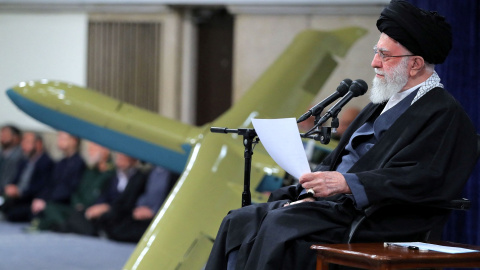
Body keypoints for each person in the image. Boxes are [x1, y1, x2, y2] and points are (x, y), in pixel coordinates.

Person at [204, 1, 478, 270]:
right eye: (376, 52)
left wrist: (349, 184)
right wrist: (312, 190)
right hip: (336, 208)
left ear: (416, 64)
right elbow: (337, 159)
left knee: (280, 225)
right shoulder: (381, 102)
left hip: (378, 218)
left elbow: (422, 178)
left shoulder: (444, 114)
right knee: (240, 219)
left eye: (385, 55)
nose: (374, 63)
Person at [61, 153, 147, 236]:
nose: (120, 159)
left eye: (124, 157)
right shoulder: (113, 176)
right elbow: (104, 195)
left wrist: (108, 207)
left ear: (134, 160)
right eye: (119, 157)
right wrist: (98, 207)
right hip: (104, 214)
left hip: (119, 216)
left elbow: (129, 203)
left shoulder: (139, 178)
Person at [35, 141, 115, 230]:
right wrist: (77, 203)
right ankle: (63, 225)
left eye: (93, 149)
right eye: (89, 149)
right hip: (78, 208)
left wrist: (86, 207)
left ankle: (62, 226)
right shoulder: (91, 170)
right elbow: (77, 191)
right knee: (51, 207)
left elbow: (101, 196)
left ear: (105, 150)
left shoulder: (110, 172)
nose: (90, 152)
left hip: (91, 210)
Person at [98, 165, 178, 242]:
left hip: (157, 217)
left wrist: (154, 212)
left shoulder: (174, 175)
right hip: (137, 213)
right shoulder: (148, 172)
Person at [30, 131, 86, 219]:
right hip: (52, 200)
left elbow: (70, 189)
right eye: (59, 138)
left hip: (64, 203)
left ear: (74, 141)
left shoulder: (79, 163)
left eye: (63, 139)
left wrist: (46, 201)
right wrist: (41, 198)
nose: (59, 141)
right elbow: (50, 184)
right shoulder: (61, 163)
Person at [1, 132, 54, 222]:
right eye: (23, 142)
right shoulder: (24, 162)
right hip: (16, 198)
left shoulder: (46, 163)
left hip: (30, 200)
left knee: (13, 213)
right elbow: (15, 180)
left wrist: (20, 192)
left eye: (27, 142)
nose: (23, 146)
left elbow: (42, 186)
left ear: (38, 144)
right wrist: (11, 188)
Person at [0, 125, 23, 193]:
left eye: (6, 134)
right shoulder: (2, 152)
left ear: (16, 137)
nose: (2, 137)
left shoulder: (20, 156)